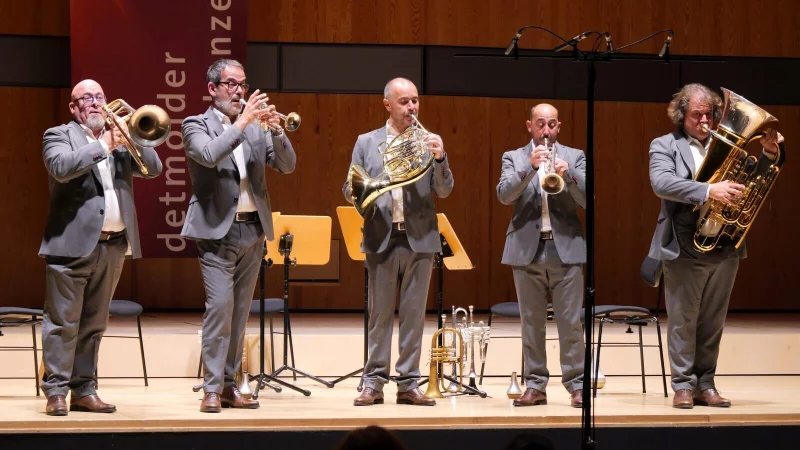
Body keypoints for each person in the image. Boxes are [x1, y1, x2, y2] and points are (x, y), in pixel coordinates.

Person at [648, 83, 783, 409]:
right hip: (683, 244)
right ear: (682, 116)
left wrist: (769, 153)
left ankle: (705, 384)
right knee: (683, 319)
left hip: (725, 244)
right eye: (697, 115)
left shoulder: (731, 146)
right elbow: (661, 183)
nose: (705, 120)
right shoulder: (665, 145)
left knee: (712, 321)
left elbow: (756, 180)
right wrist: (710, 191)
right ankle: (682, 385)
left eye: (710, 114)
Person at [40, 79, 163, 416]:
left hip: (112, 246)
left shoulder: (121, 139)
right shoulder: (59, 135)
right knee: (63, 322)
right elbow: (62, 168)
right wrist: (105, 143)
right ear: (73, 107)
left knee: (94, 324)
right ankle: (56, 392)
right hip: (71, 246)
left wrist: (132, 134)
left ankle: (84, 389)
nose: (95, 103)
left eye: (100, 97)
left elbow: (154, 169)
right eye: (87, 98)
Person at [182, 58, 296, 413]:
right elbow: (208, 155)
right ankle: (212, 388)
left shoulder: (256, 127)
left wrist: (277, 130)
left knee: (240, 313)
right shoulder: (194, 125)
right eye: (230, 84)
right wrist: (244, 122)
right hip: (217, 232)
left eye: (242, 85)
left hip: (253, 230)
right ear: (212, 88)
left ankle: (230, 385)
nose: (238, 91)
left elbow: (287, 165)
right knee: (219, 309)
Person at [343, 77, 453, 406]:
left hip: (419, 238)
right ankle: (373, 383)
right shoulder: (366, 142)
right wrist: (370, 187)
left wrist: (441, 158)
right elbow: (349, 188)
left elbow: (445, 190)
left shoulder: (428, 141)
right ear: (387, 105)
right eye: (404, 102)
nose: (411, 107)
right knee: (379, 316)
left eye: (415, 101)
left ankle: (408, 384)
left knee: (413, 315)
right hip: (381, 235)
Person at [496, 103, 586, 408]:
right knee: (531, 323)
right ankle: (535, 385)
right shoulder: (514, 157)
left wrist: (570, 174)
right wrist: (530, 168)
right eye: (540, 124)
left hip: (566, 249)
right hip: (526, 250)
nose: (546, 130)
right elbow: (504, 195)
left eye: (551, 125)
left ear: (558, 127)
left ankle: (577, 385)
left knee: (570, 322)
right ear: (530, 126)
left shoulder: (574, 156)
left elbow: (589, 199)